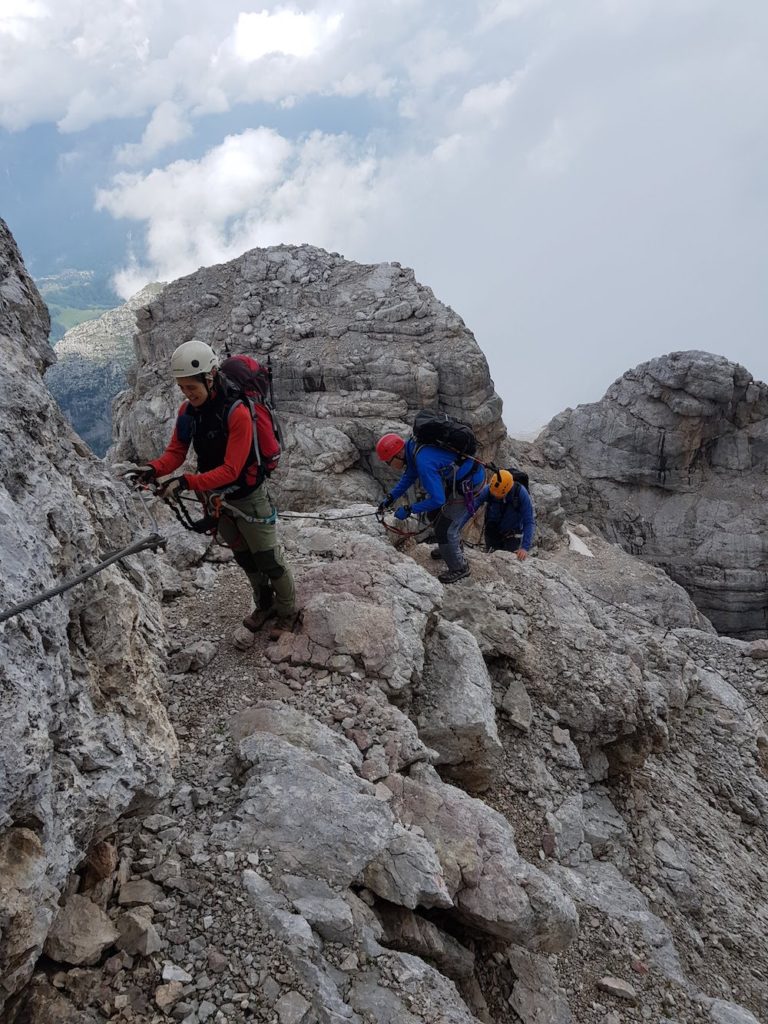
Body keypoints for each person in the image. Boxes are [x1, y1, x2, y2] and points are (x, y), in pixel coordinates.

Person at [135, 339, 297, 647]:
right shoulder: (188, 412)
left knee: (269, 559)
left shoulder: (237, 412)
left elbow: (232, 470)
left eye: (191, 387)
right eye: (182, 388)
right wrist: (154, 469)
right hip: (216, 500)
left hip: (248, 496)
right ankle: (264, 606)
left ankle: (288, 610)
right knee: (245, 558)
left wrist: (186, 482)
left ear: (210, 377)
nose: (187, 394)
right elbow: (176, 452)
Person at [375, 431, 485, 584]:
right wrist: (390, 498)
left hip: (469, 486)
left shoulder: (423, 461)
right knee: (434, 515)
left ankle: (460, 567)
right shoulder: (413, 448)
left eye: (388, 461)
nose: (389, 465)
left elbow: (438, 500)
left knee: (444, 529)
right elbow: (408, 477)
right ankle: (451, 548)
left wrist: (409, 509)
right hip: (458, 481)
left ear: (398, 454)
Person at [477, 469, 535, 560]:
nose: (496, 496)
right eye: (494, 494)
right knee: (491, 561)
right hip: (492, 532)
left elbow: (529, 521)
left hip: (512, 535)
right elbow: (472, 507)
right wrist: (456, 528)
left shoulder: (521, 493)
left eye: (499, 495)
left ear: (507, 489)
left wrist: (524, 547)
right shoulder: (490, 489)